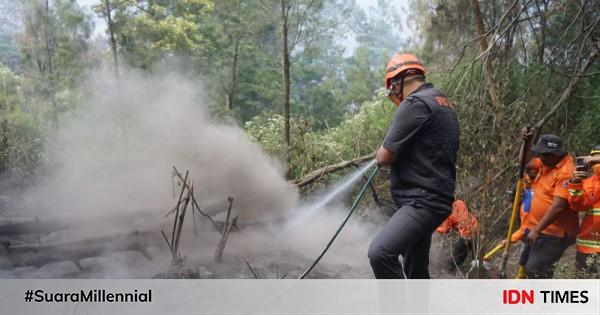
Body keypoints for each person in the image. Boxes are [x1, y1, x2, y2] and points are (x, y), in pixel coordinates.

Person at [368, 53, 460, 279]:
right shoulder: (441, 102)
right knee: (416, 269)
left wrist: (379, 155)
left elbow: (385, 157)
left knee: (380, 253)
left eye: (392, 87)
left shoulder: (415, 103)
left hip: (421, 201)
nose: (393, 94)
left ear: (399, 80)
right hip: (436, 198)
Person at [521, 132, 578, 278]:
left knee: (535, 269)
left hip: (555, 232)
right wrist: (526, 143)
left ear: (555, 154)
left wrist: (537, 230)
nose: (540, 158)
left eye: (544, 155)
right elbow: (524, 163)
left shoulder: (566, 171)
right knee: (525, 263)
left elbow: (558, 206)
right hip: (539, 228)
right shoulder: (546, 162)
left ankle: (543, 299)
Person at [567, 145, 600, 275]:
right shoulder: (587, 183)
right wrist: (575, 183)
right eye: (594, 161)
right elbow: (578, 206)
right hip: (587, 246)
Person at [436, 200, 479, 271]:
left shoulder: (448, 213)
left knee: (456, 258)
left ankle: (446, 271)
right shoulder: (459, 202)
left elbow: (445, 230)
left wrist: (434, 227)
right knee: (478, 260)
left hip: (467, 235)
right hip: (477, 232)